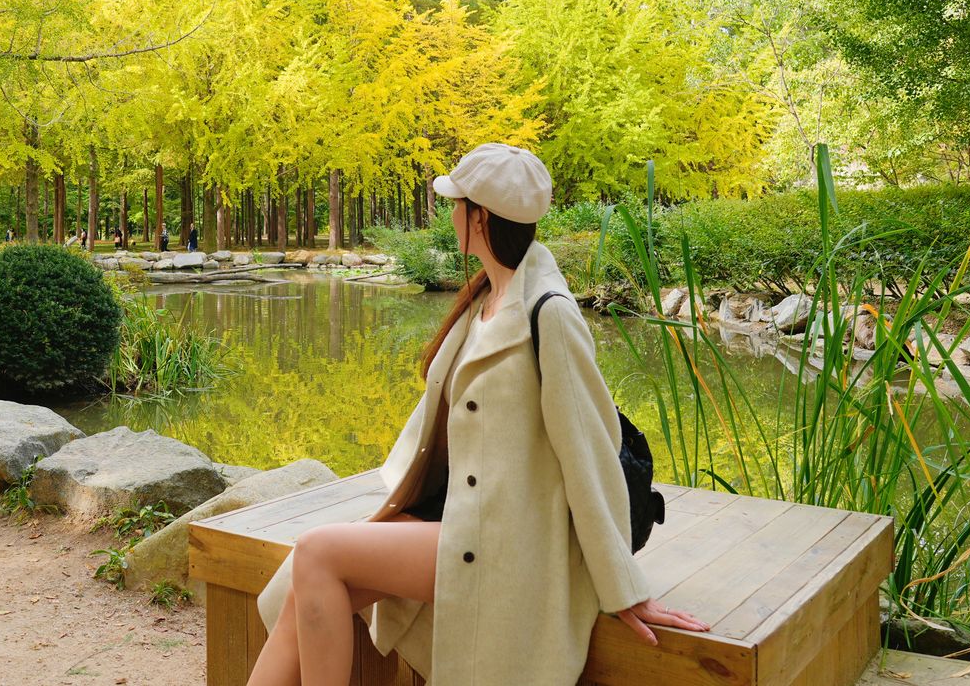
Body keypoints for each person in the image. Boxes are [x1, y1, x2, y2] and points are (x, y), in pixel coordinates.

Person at [248, 144, 708, 686]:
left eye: (456, 204)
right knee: (307, 578)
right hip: (458, 517)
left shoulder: (547, 312)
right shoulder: (485, 299)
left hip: (508, 544)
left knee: (317, 551)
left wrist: (623, 586)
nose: (450, 215)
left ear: (480, 217)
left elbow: (588, 453)